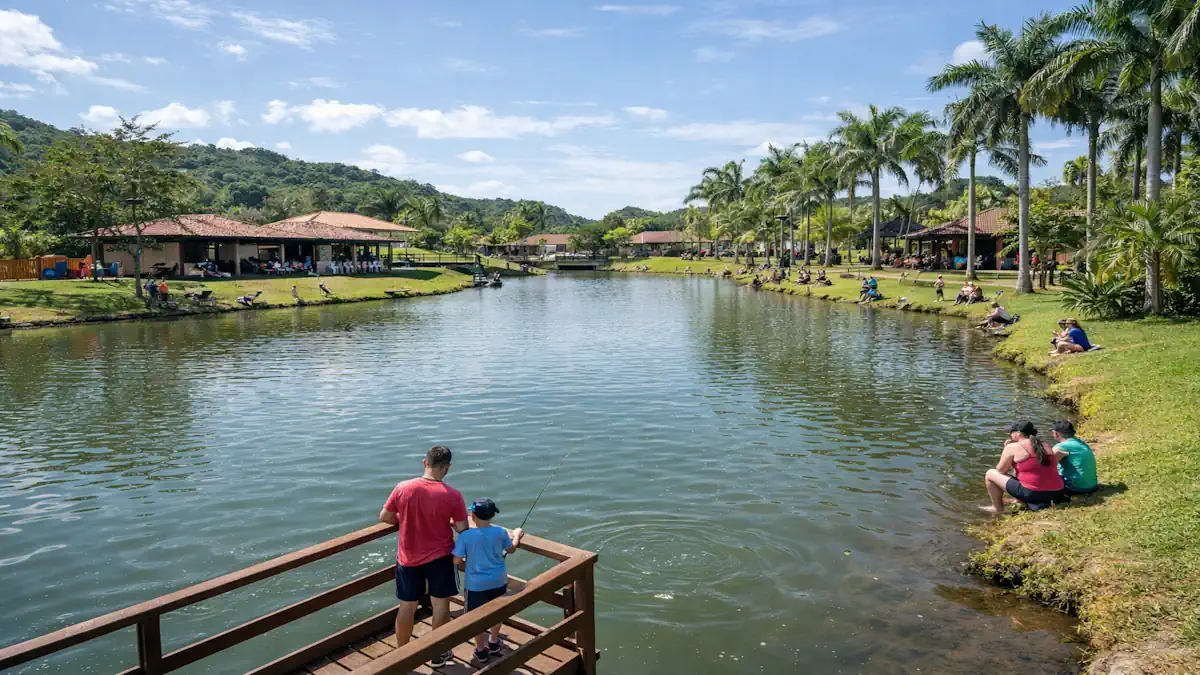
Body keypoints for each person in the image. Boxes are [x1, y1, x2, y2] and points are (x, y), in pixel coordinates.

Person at [379, 446, 469, 668]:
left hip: (408, 558)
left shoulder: (403, 488)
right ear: (447, 468)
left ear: (424, 463)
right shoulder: (453, 495)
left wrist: (406, 519)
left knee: (407, 607)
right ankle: (438, 655)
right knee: (440, 606)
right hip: (440, 558)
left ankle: (402, 657)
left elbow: (386, 517)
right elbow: (462, 528)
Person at [452, 498, 525, 665]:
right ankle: (493, 641)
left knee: (476, 617)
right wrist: (516, 534)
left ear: (473, 515)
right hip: (498, 581)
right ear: (492, 516)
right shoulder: (500, 532)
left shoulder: (466, 536)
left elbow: (456, 560)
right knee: (496, 611)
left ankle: (481, 650)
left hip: (475, 585)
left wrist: (468, 563)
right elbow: (511, 549)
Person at [983, 421, 1068, 514]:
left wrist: (1006, 449)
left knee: (990, 473)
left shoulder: (1012, 447)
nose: (1010, 434)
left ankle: (997, 508)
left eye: (1011, 432)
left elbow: (1001, 470)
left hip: (1035, 494)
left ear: (1018, 434)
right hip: (1058, 493)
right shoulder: (1045, 445)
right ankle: (1020, 501)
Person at [1052, 420, 1098, 496]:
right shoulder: (1080, 442)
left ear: (1055, 433)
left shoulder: (1061, 447)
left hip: (1075, 487)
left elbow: (1046, 468)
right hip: (1092, 486)